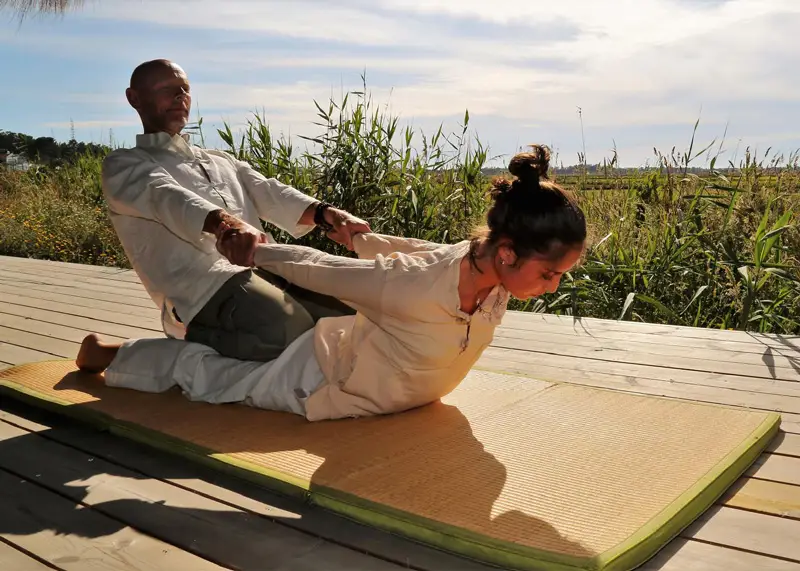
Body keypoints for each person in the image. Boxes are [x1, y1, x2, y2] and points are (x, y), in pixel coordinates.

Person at [80, 146, 587, 422]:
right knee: (218, 381)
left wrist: (356, 234)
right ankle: (113, 352)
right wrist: (257, 250)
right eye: (549, 273)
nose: (553, 285)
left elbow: (412, 252)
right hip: (326, 384)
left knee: (305, 320)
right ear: (505, 251)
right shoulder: (130, 165)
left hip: (372, 363)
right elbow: (324, 270)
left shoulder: (479, 264)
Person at [102, 58, 370, 362]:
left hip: (266, 267)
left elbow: (270, 192)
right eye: (167, 89)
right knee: (288, 331)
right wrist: (226, 224)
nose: (180, 97)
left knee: (353, 313)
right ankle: (156, 349)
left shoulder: (219, 159)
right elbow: (167, 198)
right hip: (201, 288)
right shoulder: (124, 165)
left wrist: (327, 214)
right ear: (134, 98)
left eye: (185, 89)